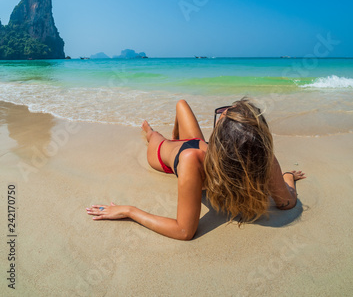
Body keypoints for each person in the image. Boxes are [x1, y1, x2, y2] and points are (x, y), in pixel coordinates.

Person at [86, 99, 306, 240]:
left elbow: (183, 231)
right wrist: (129, 210)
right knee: (156, 134)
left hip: (195, 150)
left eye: (219, 117)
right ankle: (153, 132)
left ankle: (163, 135)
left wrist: (283, 173)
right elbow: (288, 201)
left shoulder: (261, 159)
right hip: (165, 154)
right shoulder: (252, 155)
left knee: (170, 125)